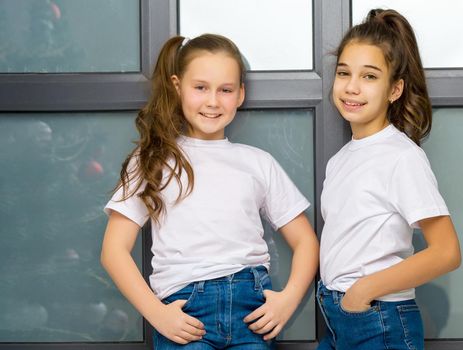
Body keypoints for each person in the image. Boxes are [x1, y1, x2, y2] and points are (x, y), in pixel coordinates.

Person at [100, 33, 319, 350]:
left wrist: (287, 301)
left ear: (240, 94)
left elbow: (306, 242)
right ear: (178, 87)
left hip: (251, 311)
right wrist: (156, 314)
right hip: (185, 315)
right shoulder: (153, 160)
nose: (213, 101)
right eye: (200, 87)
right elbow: (113, 250)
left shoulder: (258, 163)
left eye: (225, 90)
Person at [317, 9, 461, 350]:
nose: (351, 87)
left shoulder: (401, 156)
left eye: (369, 77)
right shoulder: (339, 161)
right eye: (343, 73)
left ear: (394, 89)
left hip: (378, 321)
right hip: (339, 318)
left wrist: (363, 290)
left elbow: (446, 252)